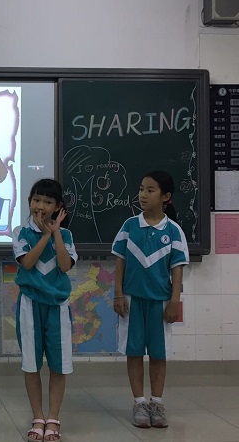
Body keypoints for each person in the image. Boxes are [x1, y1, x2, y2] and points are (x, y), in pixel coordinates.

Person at [112, 170, 189, 429]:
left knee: (159, 353)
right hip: (132, 301)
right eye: (141, 189)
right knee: (133, 352)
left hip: (160, 302)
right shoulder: (129, 226)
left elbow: (177, 269)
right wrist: (118, 294)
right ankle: (139, 402)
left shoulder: (174, 231)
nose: (143, 195)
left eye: (150, 190)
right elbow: (119, 262)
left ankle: (157, 402)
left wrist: (175, 301)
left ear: (165, 196)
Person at [12, 178, 77, 442]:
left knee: (59, 365)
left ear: (58, 207)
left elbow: (65, 265)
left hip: (58, 307)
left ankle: (53, 418)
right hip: (30, 304)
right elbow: (27, 263)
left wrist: (56, 234)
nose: (40, 206)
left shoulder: (67, 236)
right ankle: (38, 417)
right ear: (29, 201)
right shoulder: (21, 232)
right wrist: (46, 236)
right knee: (31, 364)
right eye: (36, 200)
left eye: (48, 202)